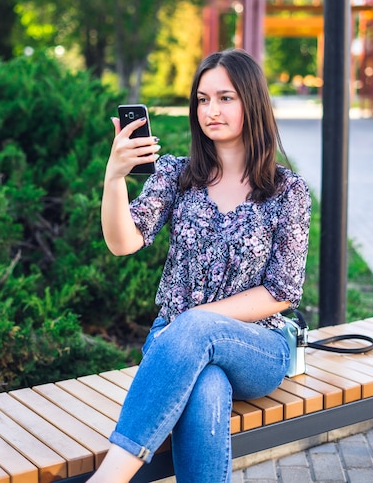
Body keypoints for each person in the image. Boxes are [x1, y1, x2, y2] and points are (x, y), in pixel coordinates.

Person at [92, 48, 311, 483]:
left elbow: (280, 292)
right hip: (176, 341)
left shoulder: (288, 191)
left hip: (258, 347)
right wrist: (114, 177)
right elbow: (123, 243)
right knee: (206, 388)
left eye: (226, 98)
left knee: (195, 327)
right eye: (202, 98)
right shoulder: (176, 175)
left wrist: (197, 321)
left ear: (252, 102)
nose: (211, 110)